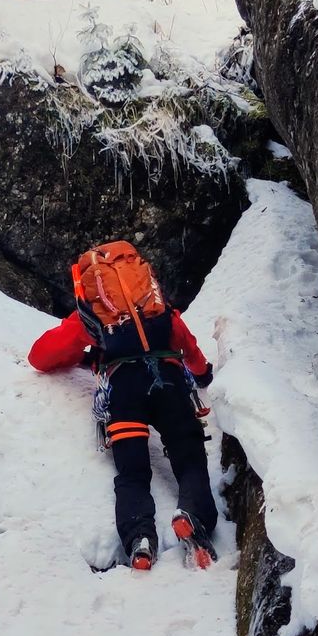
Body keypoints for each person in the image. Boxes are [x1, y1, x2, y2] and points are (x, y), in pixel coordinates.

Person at [28, 240, 221, 571]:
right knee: (189, 458)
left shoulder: (96, 313)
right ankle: (191, 513)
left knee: (132, 474)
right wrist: (202, 374)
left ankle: (139, 539)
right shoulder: (155, 306)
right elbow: (186, 343)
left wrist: (85, 352)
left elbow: (40, 356)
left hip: (124, 390)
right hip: (170, 382)